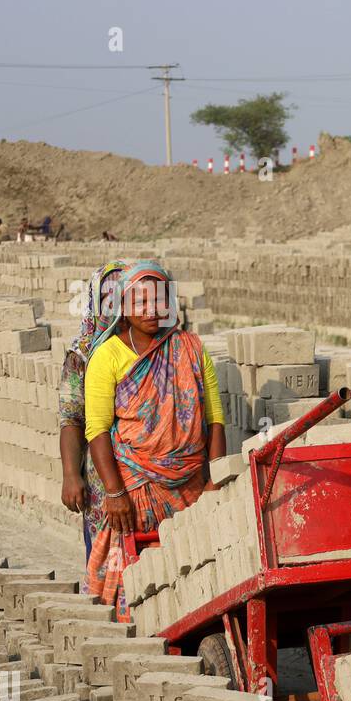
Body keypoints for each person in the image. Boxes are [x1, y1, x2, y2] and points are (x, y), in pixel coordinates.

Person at [84, 260, 227, 620]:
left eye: (158, 300)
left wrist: (215, 482)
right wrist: (114, 493)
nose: (150, 310)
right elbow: (97, 430)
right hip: (135, 489)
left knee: (195, 573)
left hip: (191, 486)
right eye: (140, 302)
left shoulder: (189, 347)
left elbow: (215, 419)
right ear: (123, 307)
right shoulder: (107, 356)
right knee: (135, 581)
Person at [60, 260, 128, 562]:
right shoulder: (83, 354)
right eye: (109, 296)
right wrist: (70, 475)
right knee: (107, 559)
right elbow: (71, 418)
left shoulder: (150, 346)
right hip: (103, 480)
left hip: (149, 474)